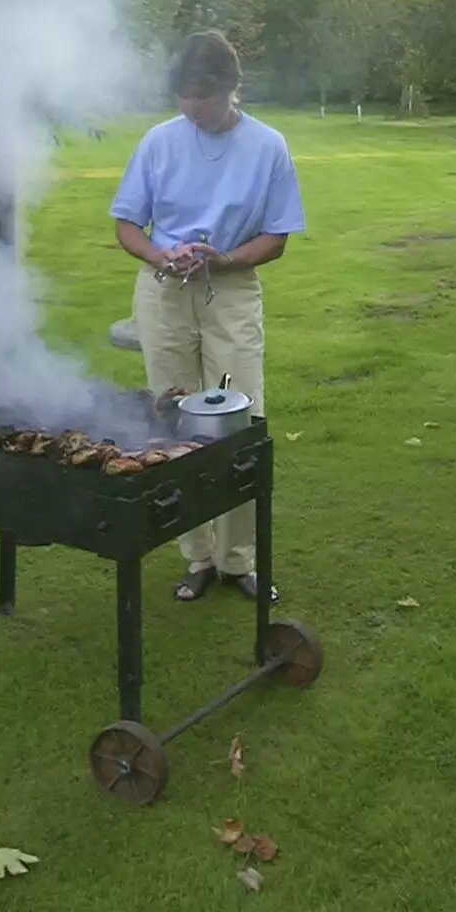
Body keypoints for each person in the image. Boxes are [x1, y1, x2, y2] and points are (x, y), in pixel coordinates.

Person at [109, 30, 305, 603]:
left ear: (230, 89)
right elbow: (127, 224)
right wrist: (158, 254)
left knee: (238, 421)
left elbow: (277, 236)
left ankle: (238, 560)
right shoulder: (158, 142)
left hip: (232, 291)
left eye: (202, 97)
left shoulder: (267, 146)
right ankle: (195, 556)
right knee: (173, 420)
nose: (191, 109)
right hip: (164, 291)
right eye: (182, 97)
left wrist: (223, 260)